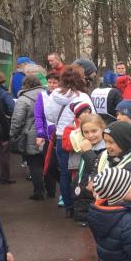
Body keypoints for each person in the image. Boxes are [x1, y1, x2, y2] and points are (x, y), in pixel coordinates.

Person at [51, 65, 94, 217]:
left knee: (64, 173)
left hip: (61, 137)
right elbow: (92, 118)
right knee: (81, 172)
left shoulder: (54, 95)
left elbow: (50, 116)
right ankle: (80, 205)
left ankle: (68, 207)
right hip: (80, 138)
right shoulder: (83, 97)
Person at [9, 75, 48, 200]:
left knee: (34, 164)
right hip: (48, 132)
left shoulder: (23, 99)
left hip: (31, 135)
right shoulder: (48, 95)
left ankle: (39, 192)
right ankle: (51, 190)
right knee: (47, 162)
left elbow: (17, 119)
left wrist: (12, 134)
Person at [72, 113, 106, 225]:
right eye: (86, 132)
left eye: (94, 131)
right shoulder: (87, 145)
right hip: (84, 192)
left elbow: (97, 168)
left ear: (102, 129)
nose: (90, 135)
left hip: (95, 195)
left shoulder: (106, 149)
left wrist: (87, 152)